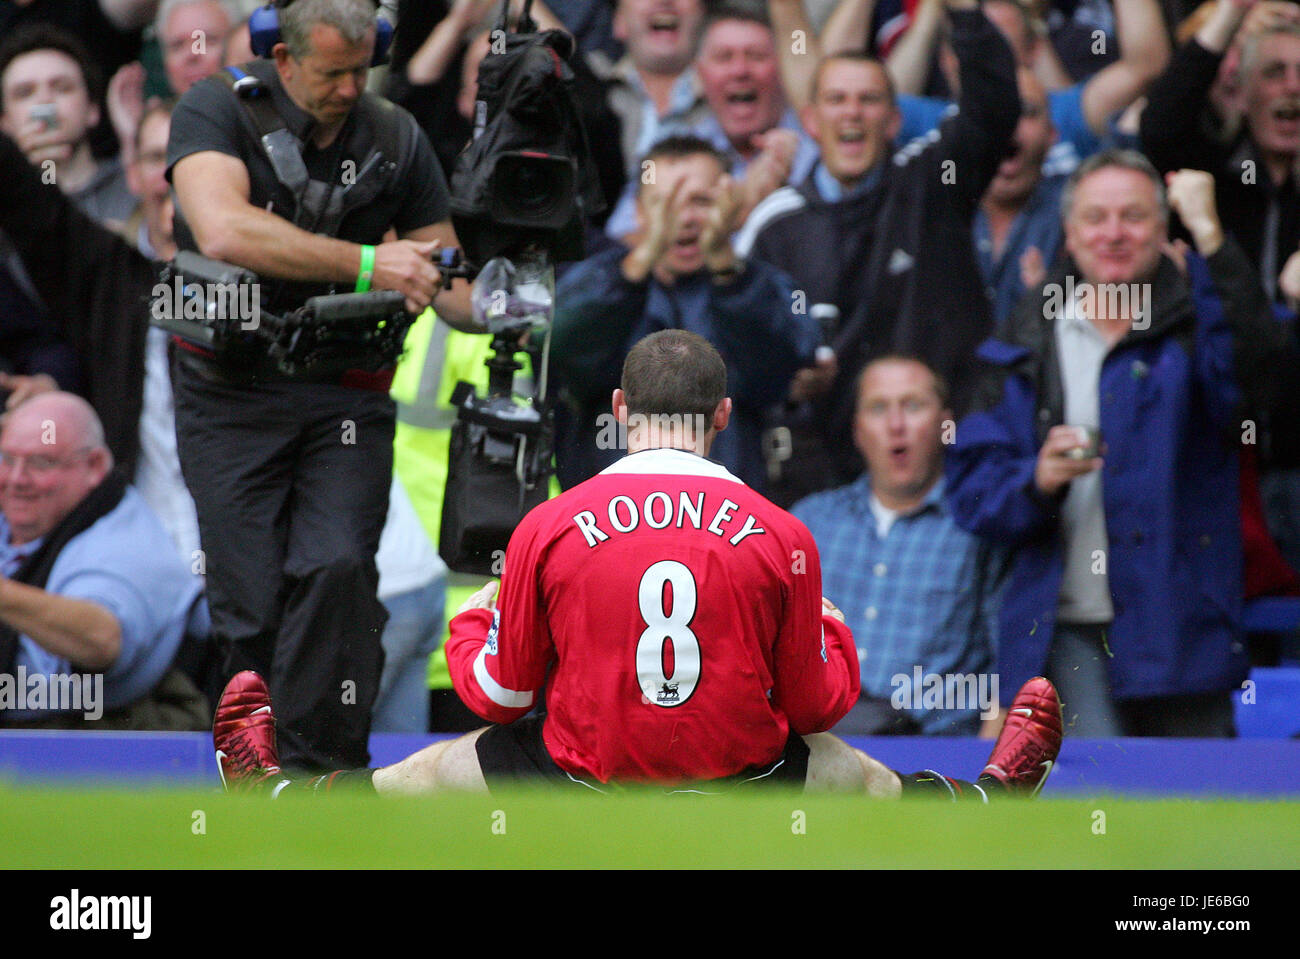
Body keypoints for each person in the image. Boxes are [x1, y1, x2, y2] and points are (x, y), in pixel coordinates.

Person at [213, 330, 1064, 798]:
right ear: (722, 415)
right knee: (862, 776)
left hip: (584, 776)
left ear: (619, 411)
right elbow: (815, 702)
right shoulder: (781, 532)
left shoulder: (549, 523)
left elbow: (499, 694)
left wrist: (481, 615)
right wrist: (833, 631)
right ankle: (989, 800)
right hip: (743, 777)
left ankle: (278, 798)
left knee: (424, 774)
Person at [166, 0, 473, 771]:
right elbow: (223, 230)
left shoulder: (396, 136)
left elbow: (454, 279)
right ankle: (257, 766)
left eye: (361, 70)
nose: (348, 88)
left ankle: (321, 770)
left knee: (337, 567)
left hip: (346, 387)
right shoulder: (215, 109)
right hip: (229, 391)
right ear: (283, 58)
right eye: (332, 72)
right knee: (251, 597)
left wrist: (507, 294)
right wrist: (371, 263)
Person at [946, 152, 1275, 736]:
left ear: (1162, 228)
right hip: (1064, 631)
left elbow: (1264, 386)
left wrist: (1213, 240)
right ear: (1069, 235)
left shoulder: (1202, 321)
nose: (1114, 233)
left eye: (1134, 216)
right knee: (1094, 804)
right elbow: (971, 489)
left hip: (1184, 628)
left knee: (1194, 815)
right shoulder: (1027, 335)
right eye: (1096, 218)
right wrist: (1036, 479)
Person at [738, 0, 1018, 489]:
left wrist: (967, 16)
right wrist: (783, 381)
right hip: (818, 475)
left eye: (868, 100)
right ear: (809, 120)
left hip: (945, 466)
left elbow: (992, 112)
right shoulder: (772, 225)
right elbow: (739, 345)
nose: (852, 113)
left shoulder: (934, 183)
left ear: (892, 121)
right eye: (837, 99)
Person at [549, 134, 819, 493]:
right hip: (610, 518)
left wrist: (724, 262)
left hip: (726, 517)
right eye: (666, 203)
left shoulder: (758, 283)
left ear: (731, 206)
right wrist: (641, 259)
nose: (686, 218)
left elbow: (786, 360)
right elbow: (556, 342)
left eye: (701, 201)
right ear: (639, 211)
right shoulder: (599, 279)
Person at [791, 356, 1003, 736]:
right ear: (857, 430)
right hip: (820, 751)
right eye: (878, 408)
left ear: (945, 424)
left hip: (933, 762)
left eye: (913, 405)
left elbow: (1008, 664)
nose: (896, 425)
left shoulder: (979, 525)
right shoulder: (809, 522)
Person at [0, 392, 207, 729]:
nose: (17, 480)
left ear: (93, 466)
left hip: (77, 744)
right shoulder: (28, 515)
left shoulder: (123, 546)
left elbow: (102, 638)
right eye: (8, 459)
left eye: (40, 463)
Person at [0, 23, 136, 226]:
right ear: (4, 122)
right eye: (25, 93)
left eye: (62, 88)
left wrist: (134, 144)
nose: (44, 100)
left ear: (93, 109)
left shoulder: (133, 185)